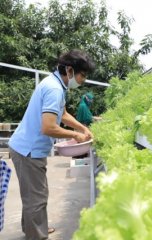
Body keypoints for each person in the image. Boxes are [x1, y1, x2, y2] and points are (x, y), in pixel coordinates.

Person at [9, 49, 95, 240]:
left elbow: (63, 115)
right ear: (70, 71)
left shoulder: (56, 84)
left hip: (27, 148)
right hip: (28, 150)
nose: (83, 80)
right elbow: (48, 127)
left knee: (33, 194)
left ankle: (34, 227)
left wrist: (81, 128)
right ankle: (36, 235)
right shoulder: (54, 89)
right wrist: (76, 135)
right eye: (82, 75)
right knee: (36, 198)